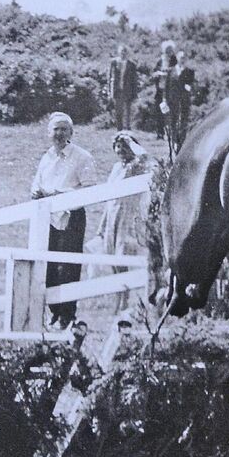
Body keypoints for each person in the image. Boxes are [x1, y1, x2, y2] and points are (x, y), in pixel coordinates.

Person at [30, 111, 97, 328]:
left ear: (71, 132)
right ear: (49, 132)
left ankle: (68, 314)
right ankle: (54, 312)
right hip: (46, 218)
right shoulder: (47, 157)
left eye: (63, 129)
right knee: (47, 265)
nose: (59, 134)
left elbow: (90, 190)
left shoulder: (82, 157)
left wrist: (60, 195)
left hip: (71, 217)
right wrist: (36, 192)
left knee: (68, 266)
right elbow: (37, 183)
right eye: (55, 129)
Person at [96, 131, 158, 321]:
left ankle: (127, 303)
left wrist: (131, 142)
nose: (121, 150)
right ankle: (119, 300)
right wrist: (102, 225)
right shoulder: (116, 167)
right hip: (112, 217)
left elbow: (146, 157)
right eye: (118, 146)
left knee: (123, 257)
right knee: (113, 261)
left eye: (125, 146)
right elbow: (109, 197)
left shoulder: (137, 166)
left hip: (128, 217)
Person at [153, 40, 195, 153]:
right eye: (181, 58)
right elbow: (166, 87)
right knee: (173, 121)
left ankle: (181, 143)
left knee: (183, 122)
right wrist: (164, 99)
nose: (182, 60)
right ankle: (173, 143)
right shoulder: (171, 71)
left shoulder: (190, 71)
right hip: (172, 100)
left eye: (184, 58)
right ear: (177, 58)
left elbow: (192, 85)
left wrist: (189, 88)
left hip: (184, 100)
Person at [107, 45, 138, 130]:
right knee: (118, 111)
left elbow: (134, 80)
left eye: (125, 52)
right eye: (122, 52)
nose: (123, 54)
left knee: (127, 112)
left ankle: (127, 129)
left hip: (128, 90)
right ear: (119, 52)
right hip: (117, 90)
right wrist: (109, 91)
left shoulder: (132, 64)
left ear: (127, 53)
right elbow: (110, 77)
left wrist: (135, 94)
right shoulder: (114, 62)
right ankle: (119, 130)